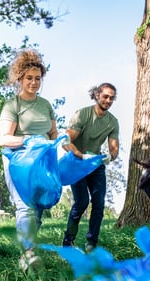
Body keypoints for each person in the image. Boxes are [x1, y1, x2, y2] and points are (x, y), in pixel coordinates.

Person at [0, 48, 58, 271]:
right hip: (18, 161)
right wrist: (29, 140)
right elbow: (2, 139)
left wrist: (61, 144)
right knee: (25, 206)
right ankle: (28, 255)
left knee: (40, 207)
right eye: (29, 78)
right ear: (20, 78)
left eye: (37, 79)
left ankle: (27, 245)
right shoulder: (13, 105)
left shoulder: (45, 105)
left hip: (42, 163)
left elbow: (53, 134)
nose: (33, 82)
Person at [61, 83, 120, 252]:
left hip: (95, 163)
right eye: (105, 96)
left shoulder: (112, 122)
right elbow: (66, 141)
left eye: (111, 98)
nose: (108, 100)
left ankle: (91, 243)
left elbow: (114, 146)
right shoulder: (83, 114)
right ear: (97, 95)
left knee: (99, 203)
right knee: (81, 202)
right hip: (77, 163)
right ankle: (68, 241)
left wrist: (110, 156)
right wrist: (80, 155)